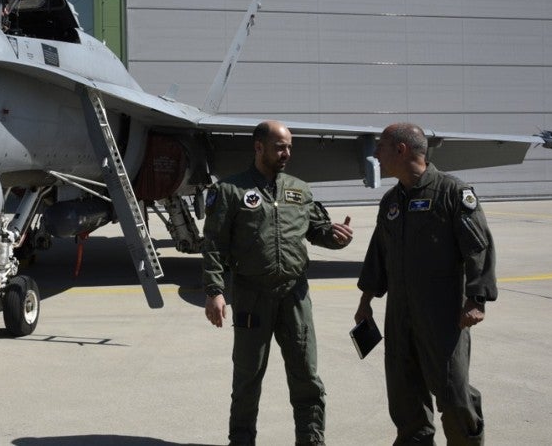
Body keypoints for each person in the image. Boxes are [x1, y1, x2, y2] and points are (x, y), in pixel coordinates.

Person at [202, 120, 354, 445]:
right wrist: (215, 291)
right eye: (279, 147)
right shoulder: (230, 191)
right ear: (259, 147)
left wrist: (335, 236)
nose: (286, 153)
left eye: (289, 147)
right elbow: (214, 243)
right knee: (247, 380)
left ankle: (311, 441)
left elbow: (316, 230)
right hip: (251, 297)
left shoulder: (299, 189)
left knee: (307, 379)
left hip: (295, 297)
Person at [354, 123, 496, 445]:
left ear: (401, 150)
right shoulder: (391, 200)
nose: (376, 154)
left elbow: (478, 247)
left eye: (381, 147)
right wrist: (366, 302)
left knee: (455, 396)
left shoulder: (452, 193)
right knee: (405, 402)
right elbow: (379, 253)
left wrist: (476, 299)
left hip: (443, 318)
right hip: (399, 317)